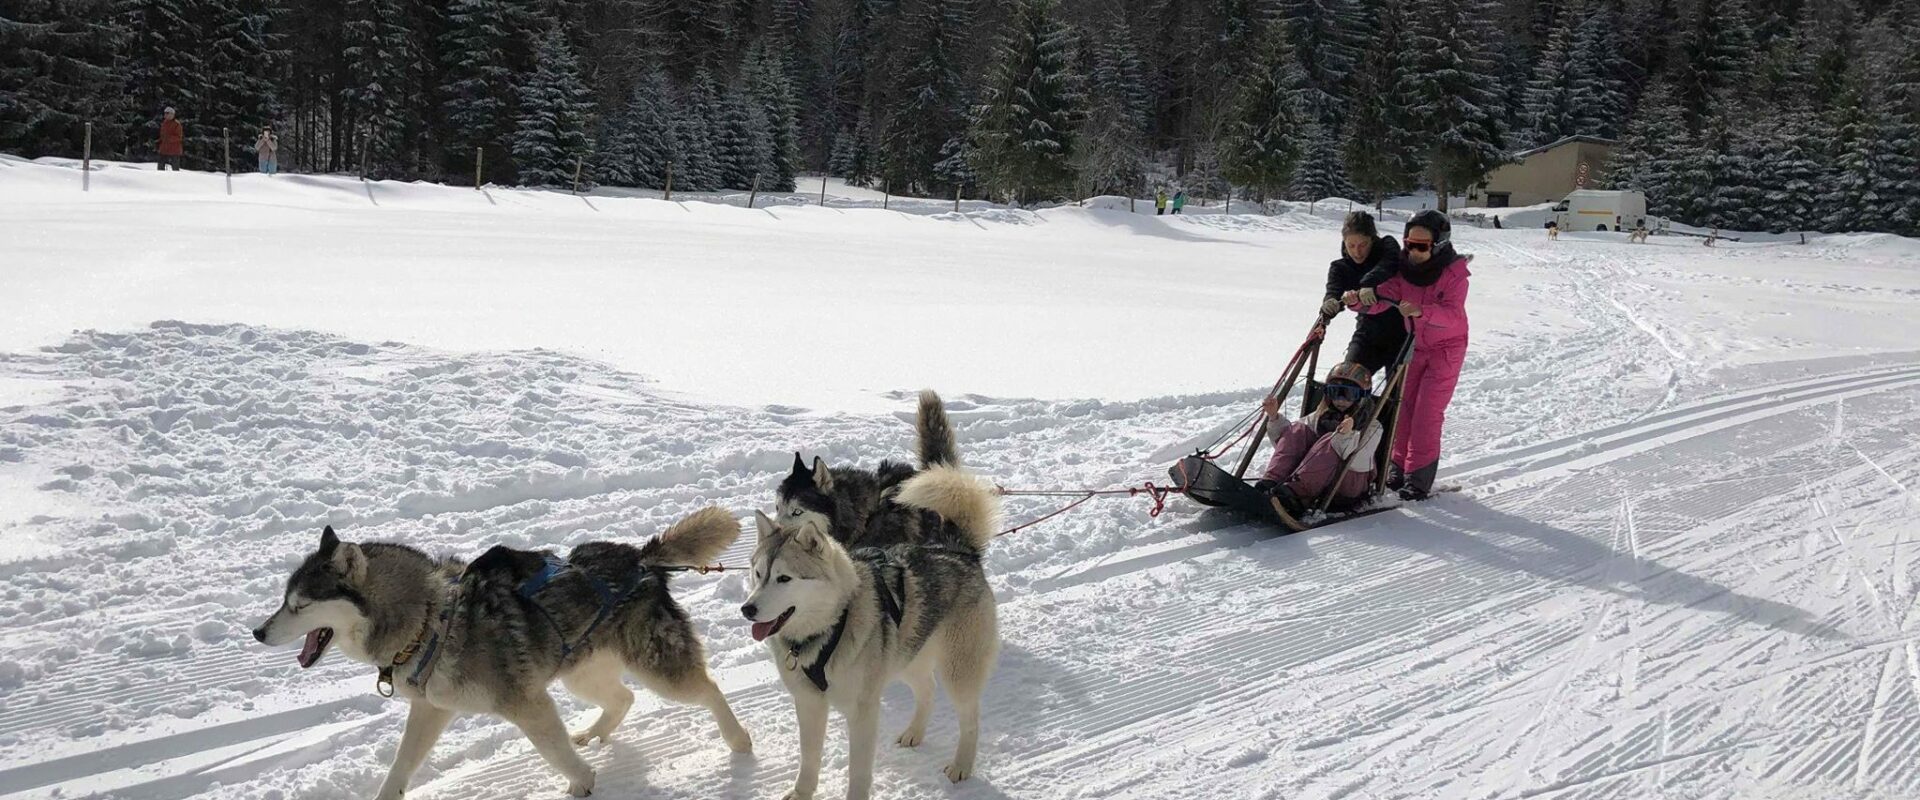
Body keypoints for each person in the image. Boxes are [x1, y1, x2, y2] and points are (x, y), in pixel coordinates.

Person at [1345, 209, 1469, 501]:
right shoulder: (1404, 270)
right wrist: (1359, 300)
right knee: (1402, 409)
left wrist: (1422, 311)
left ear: (1438, 245)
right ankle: (1396, 468)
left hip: (1446, 349)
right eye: (1409, 244)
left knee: (1426, 414)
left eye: (1421, 246)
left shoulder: (1454, 275)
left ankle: (1418, 478)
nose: (1413, 252)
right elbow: (1383, 296)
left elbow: (1453, 317)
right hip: (1414, 347)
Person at [1255, 362, 1385, 525]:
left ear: (1361, 397)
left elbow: (1356, 461)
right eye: (1334, 392)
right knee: (1298, 429)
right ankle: (1271, 483)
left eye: (1348, 394)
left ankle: (1296, 497)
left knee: (1330, 439)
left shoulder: (1373, 427)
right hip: (1321, 481)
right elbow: (1289, 444)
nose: (1340, 399)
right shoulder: (1321, 416)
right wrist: (1274, 418)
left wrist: (1346, 435)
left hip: (1349, 485)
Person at [1319, 211, 1405, 376]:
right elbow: (1333, 290)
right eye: (1351, 246)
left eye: (1363, 245)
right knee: (1347, 378)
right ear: (1344, 242)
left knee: (1398, 389)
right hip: (1368, 333)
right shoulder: (1340, 267)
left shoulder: (1387, 246)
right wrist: (1330, 303)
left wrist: (1369, 283)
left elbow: (1389, 264)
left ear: (1372, 239)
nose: (1357, 252)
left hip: (1402, 333)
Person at [157, 107, 184, 171]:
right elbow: (162, 135)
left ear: (172, 114)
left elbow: (179, 137)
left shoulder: (177, 124)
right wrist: (159, 141)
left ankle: (176, 177)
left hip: (174, 149)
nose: (165, 115)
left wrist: (169, 139)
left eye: (167, 113)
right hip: (164, 148)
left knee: (175, 167)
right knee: (160, 165)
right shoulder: (164, 123)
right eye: (165, 113)